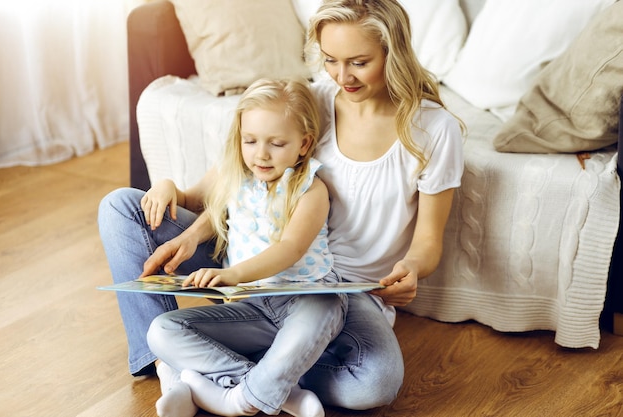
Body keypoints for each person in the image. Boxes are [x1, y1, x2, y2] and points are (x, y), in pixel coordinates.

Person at [98, 0, 464, 413]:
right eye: (330, 60)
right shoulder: (317, 100)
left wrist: (413, 269)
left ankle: (209, 372)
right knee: (121, 207)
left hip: (339, 288)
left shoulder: (434, 129)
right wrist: (177, 200)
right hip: (254, 257)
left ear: (392, 53)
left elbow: (428, 242)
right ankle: (169, 366)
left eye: (359, 62)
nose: (343, 76)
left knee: (372, 385)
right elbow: (232, 176)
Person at [145, 77, 347, 417]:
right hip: (251, 306)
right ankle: (279, 393)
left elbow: (290, 249)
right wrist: (166, 185)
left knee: (324, 309)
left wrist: (232, 274)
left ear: (303, 143)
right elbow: (200, 203)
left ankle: (231, 400)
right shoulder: (235, 174)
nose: (261, 154)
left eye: (276, 143)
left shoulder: (311, 189)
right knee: (162, 331)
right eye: (250, 141)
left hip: (305, 297)